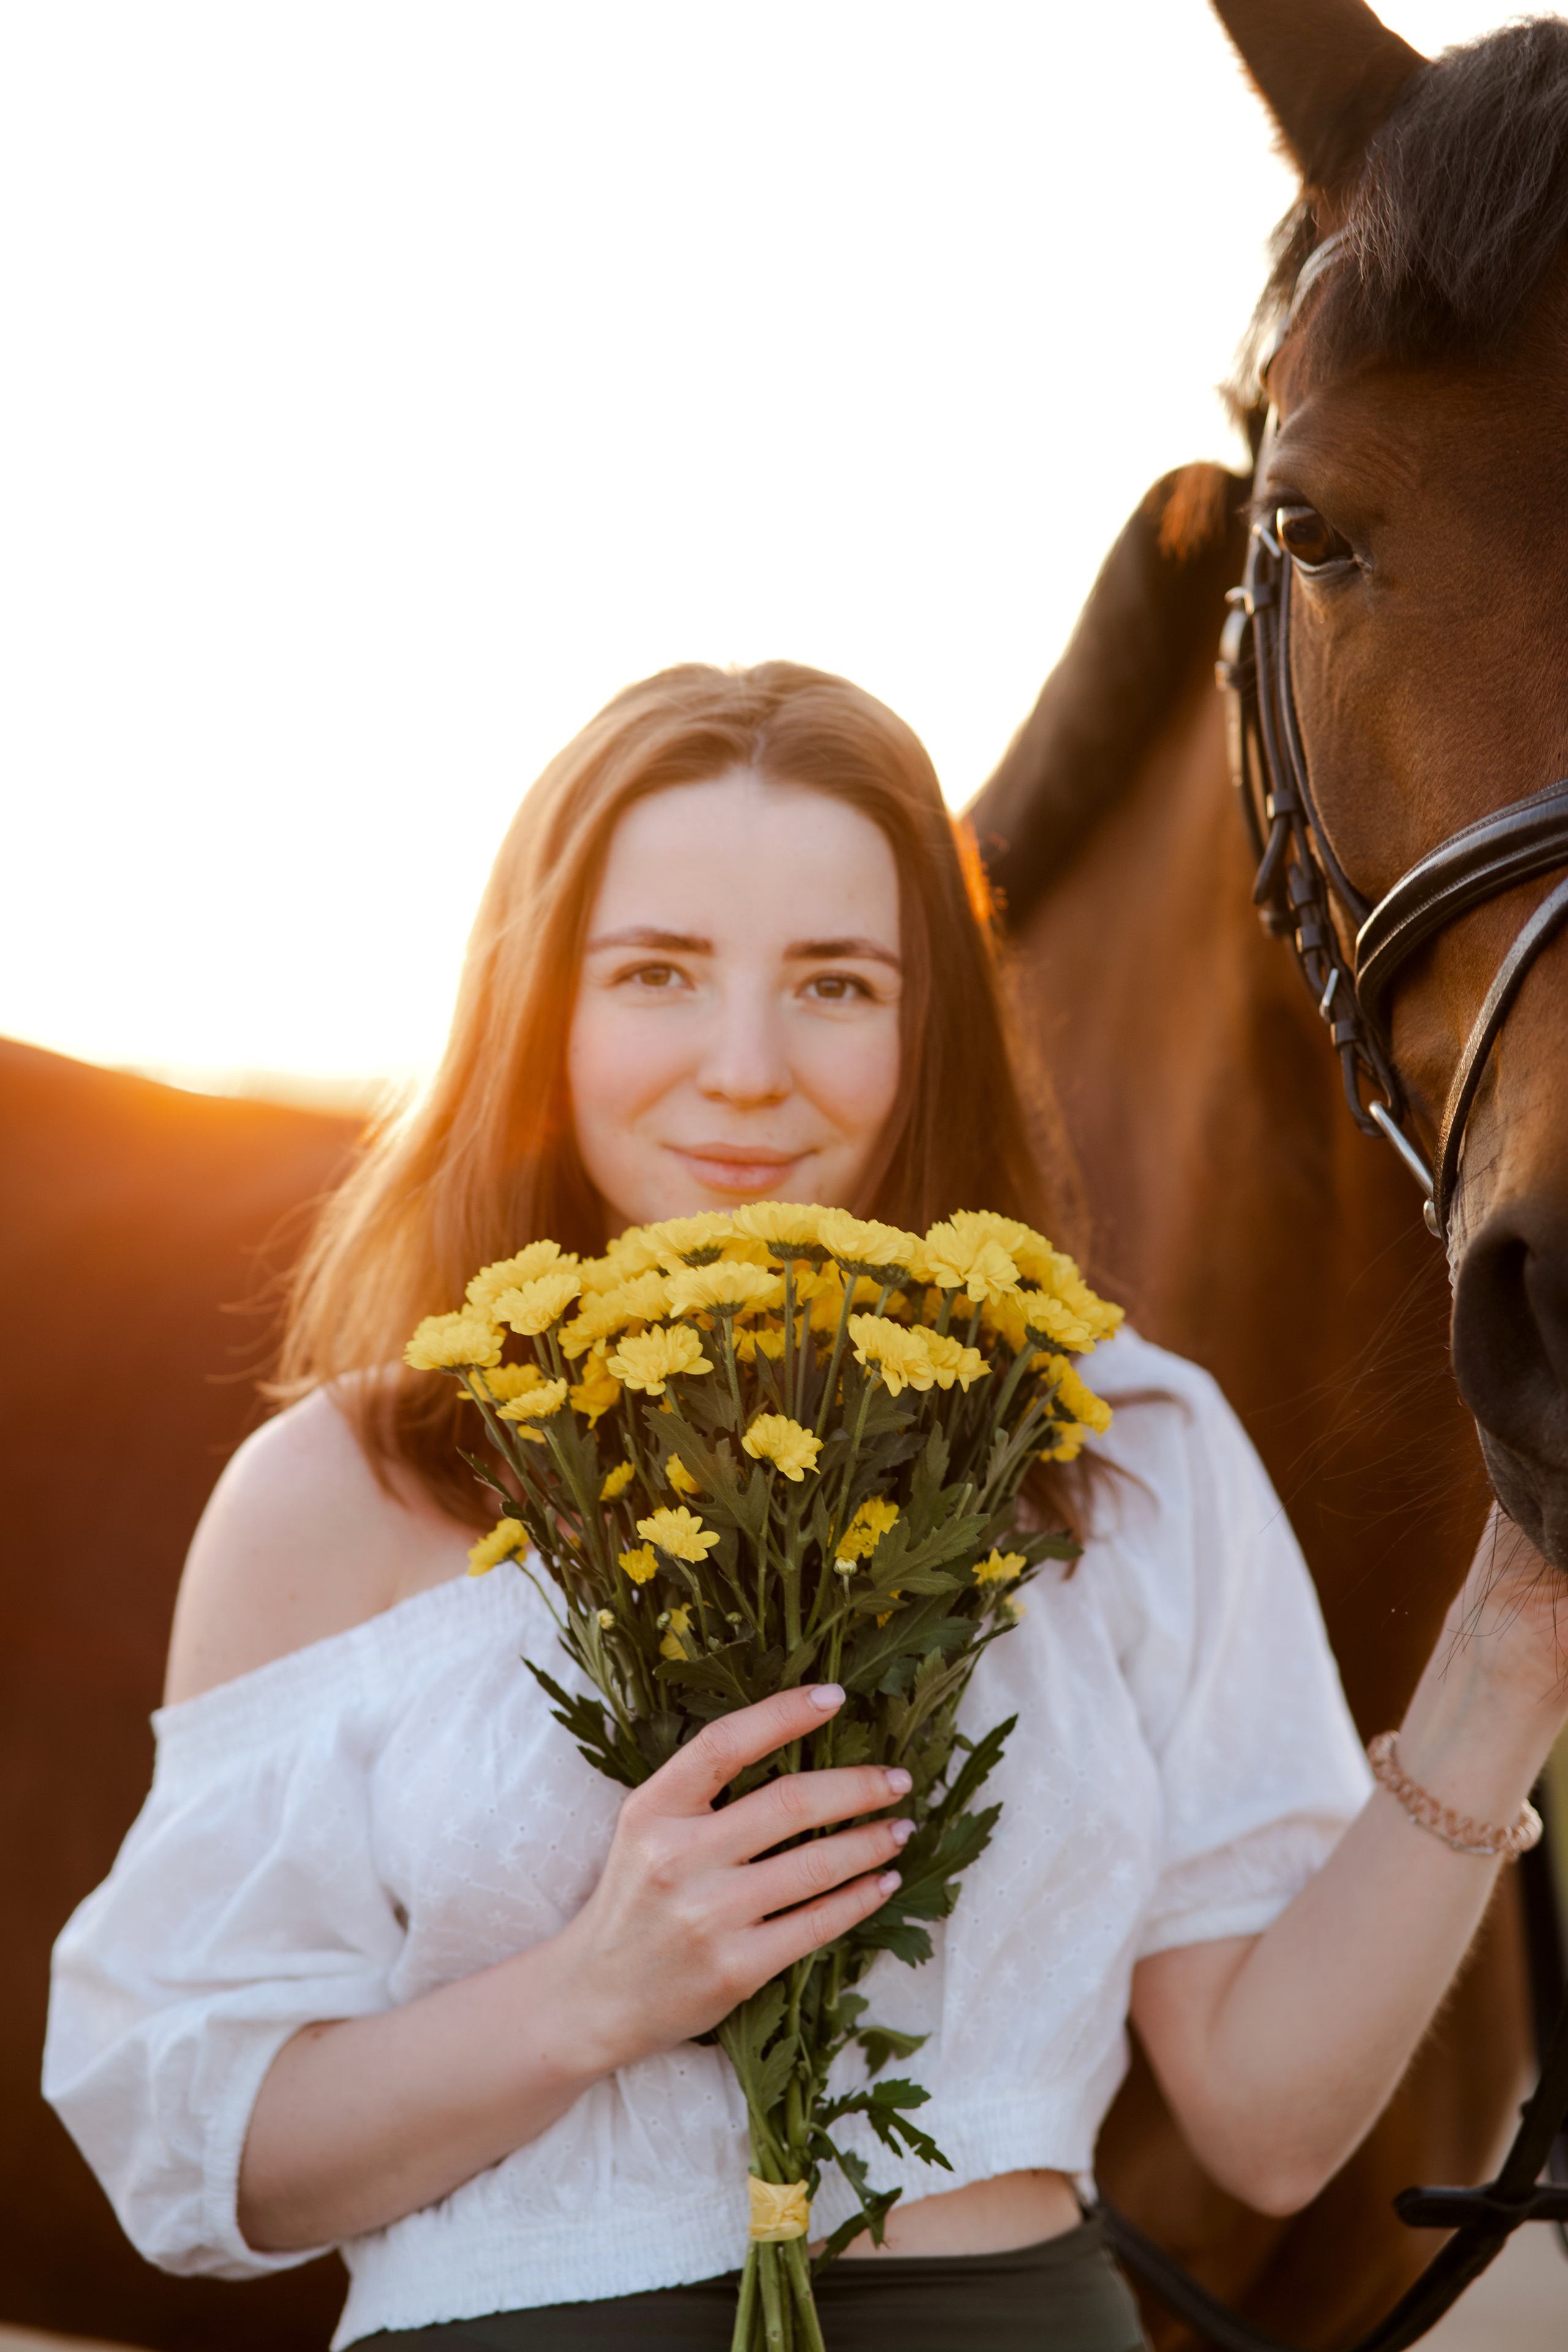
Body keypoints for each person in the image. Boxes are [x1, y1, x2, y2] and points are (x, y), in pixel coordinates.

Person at [44, 662, 1568, 2352]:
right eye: (659, 974)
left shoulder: (1126, 1440)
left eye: (838, 983)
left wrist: (1512, 1645)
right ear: (539, 1010)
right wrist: (593, 1994)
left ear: (931, 1027)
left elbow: (1271, 2127)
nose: (747, 1070)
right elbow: (203, 2160)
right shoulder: (337, 1488)